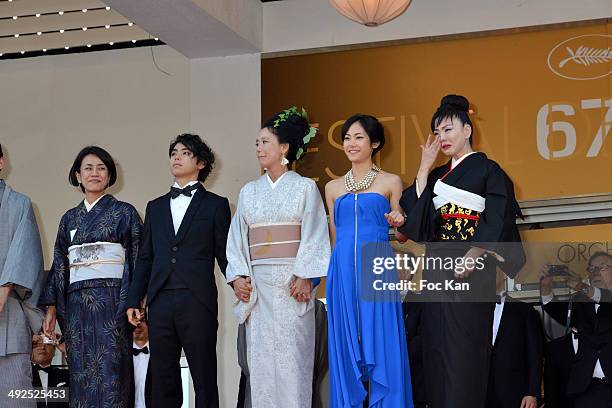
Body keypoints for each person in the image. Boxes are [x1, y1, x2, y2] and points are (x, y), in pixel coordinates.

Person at [396, 95, 525, 408]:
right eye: (437, 132)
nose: (442, 137)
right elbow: (417, 224)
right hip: (437, 268)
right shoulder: (437, 174)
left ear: (468, 130)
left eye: (449, 129)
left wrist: (477, 251)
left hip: (471, 268)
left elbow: (498, 212)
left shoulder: (487, 170)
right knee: (436, 351)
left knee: (464, 353)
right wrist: (424, 170)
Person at [226, 107, 330, 408]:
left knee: (293, 363)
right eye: (256, 143)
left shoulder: (305, 188)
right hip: (259, 289)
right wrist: (239, 278)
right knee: (260, 366)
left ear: (284, 147)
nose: (258, 148)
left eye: (265, 142)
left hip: (291, 287)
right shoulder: (248, 192)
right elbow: (237, 240)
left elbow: (314, 234)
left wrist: (306, 276)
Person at [127, 133, 231, 408]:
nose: (176, 156)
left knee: (204, 375)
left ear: (201, 163)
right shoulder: (155, 207)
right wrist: (133, 300)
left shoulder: (216, 205)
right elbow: (146, 258)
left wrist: (239, 282)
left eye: (184, 152)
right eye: (173, 152)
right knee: (163, 376)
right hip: (160, 301)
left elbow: (224, 254)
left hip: (197, 299)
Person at [39, 146, 143, 407]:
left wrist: (134, 302)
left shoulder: (125, 213)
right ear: (77, 175)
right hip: (77, 310)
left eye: (101, 168)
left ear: (109, 176)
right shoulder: (69, 219)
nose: (94, 173)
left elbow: (138, 259)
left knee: (113, 374)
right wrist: (52, 308)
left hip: (112, 305)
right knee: (80, 374)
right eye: (88, 168)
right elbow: (60, 265)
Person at [325, 114, 413, 407]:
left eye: (359, 137)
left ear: (374, 143)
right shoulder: (332, 188)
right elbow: (335, 237)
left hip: (376, 267)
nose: (351, 143)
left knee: (382, 340)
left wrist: (399, 221)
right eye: (347, 137)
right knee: (344, 344)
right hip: (342, 271)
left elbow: (401, 234)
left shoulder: (390, 181)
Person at [0, 143, 45, 408]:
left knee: (16, 399)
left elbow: (24, 253)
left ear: (2, 162)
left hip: (9, 323)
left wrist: (4, 290)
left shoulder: (20, 204)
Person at [540, 252, 612, 408]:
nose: (596, 272)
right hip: (587, 389)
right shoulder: (582, 301)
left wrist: (583, 287)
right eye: (592, 269)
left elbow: (605, 298)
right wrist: (545, 287)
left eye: (602, 267)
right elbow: (559, 313)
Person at [486, 270, 543, 408]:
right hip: (477, 392)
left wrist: (532, 392)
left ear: (504, 274)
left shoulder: (525, 311)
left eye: (492, 269)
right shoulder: (470, 311)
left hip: (513, 393)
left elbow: (535, 355)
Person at [31, 333, 69, 408]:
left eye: (47, 343)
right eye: (36, 343)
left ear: (54, 350)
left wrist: (66, 352)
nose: (42, 347)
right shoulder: (21, 376)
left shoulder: (66, 375)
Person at [132, 318, 151, 408]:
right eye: (134, 320)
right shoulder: (121, 355)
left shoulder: (159, 354)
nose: (138, 324)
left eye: (141, 320)